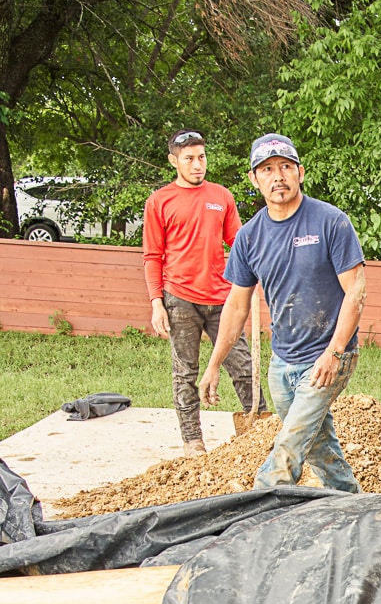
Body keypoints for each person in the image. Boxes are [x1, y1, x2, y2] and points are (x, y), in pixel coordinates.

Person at [199, 134, 365, 491]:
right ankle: (350, 501)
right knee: (318, 444)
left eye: (286, 167)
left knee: (288, 447)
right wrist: (214, 365)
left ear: (300, 173)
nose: (278, 176)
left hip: (328, 356)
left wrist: (334, 353)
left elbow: (356, 291)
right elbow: (237, 305)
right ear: (254, 179)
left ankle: (257, 506)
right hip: (282, 363)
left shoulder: (330, 222)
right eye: (268, 169)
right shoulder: (249, 237)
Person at [143, 128, 260, 455]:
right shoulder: (159, 201)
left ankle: (263, 428)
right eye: (190, 159)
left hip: (222, 298)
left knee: (242, 365)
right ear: (174, 161)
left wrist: (257, 264)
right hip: (179, 299)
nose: (198, 164)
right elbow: (153, 256)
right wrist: (157, 303)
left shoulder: (221, 196)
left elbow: (236, 241)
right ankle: (193, 441)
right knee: (186, 371)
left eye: (202, 157)